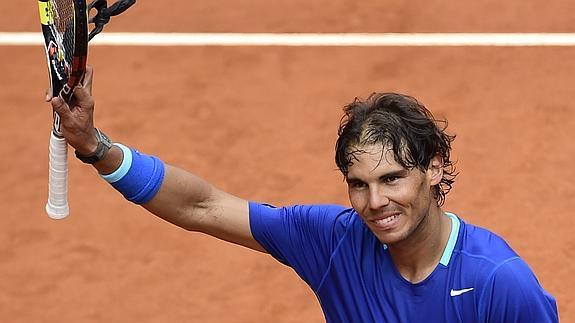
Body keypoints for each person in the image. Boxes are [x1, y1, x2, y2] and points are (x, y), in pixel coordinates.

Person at [48, 66, 558, 322]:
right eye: (358, 185)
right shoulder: (331, 241)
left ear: (434, 170)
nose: (375, 202)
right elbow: (203, 205)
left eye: (392, 179)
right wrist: (97, 148)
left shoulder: (499, 282)